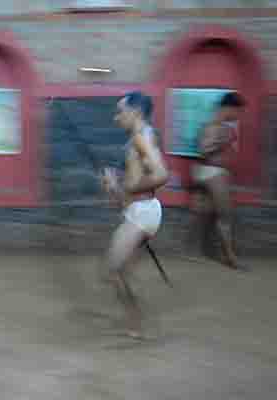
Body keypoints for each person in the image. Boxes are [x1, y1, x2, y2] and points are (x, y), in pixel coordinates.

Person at [100, 91, 169, 338]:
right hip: (140, 211)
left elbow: (161, 175)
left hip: (143, 212)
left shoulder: (141, 137)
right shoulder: (142, 137)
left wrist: (126, 186)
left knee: (112, 270)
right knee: (122, 271)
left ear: (136, 112)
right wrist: (115, 184)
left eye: (121, 111)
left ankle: (136, 322)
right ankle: (135, 323)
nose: (116, 117)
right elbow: (130, 190)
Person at [191, 92, 248, 271]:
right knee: (225, 216)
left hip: (208, 173)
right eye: (237, 111)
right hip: (214, 173)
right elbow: (203, 150)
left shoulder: (216, 126)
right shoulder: (215, 127)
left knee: (207, 214)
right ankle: (230, 258)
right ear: (229, 108)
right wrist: (222, 142)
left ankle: (201, 253)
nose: (238, 115)